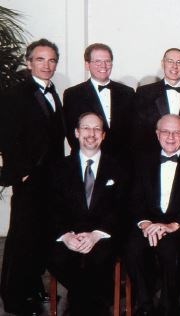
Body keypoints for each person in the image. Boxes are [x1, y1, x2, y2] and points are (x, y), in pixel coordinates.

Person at [0, 38, 66, 315]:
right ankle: (13, 298)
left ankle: (33, 287)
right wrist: (21, 174)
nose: (47, 65)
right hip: (29, 179)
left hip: (50, 179)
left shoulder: (54, 92)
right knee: (21, 239)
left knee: (41, 236)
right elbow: (7, 138)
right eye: (40, 59)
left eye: (51, 60)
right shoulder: (15, 94)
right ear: (29, 63)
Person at [47, 112, 127, 315]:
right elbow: (52, 207)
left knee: (98, 261)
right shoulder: (58, 167)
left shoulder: (119, 168)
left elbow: (121, 207)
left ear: (103, 135)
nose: (91, 134)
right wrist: (66, 235)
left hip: (103, 236)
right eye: (86, 128)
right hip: (69, 234)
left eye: (97, 129)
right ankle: (92, 304)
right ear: (76, 132)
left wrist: (96, 234)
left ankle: (79, 306)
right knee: (57, 258)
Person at [126, 114, 180, 316]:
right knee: (132, 249)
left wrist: (173, 225)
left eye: (177, 132)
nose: (171, 137)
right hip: (148, 224)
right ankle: (145, 307)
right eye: (166, 132)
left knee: (171, 250)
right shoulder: (140, 160)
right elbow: (134, 198)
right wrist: (145, 224)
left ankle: (169, 307)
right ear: (157, 134)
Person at [62, 43, 135, 163]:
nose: (104, 65)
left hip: (122, 163)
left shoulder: (128, 92)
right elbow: (71, 132)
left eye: (107, 61)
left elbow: (132, 131)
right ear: (87, 65)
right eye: (97, 61)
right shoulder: (73, 94)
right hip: (87, 161)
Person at [131, 48, 180, 155]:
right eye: (170, 61)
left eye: (179, 62)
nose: (174, 66)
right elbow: (138, 131)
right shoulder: (144, 93)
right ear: (162, 64)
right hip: (151, 157)